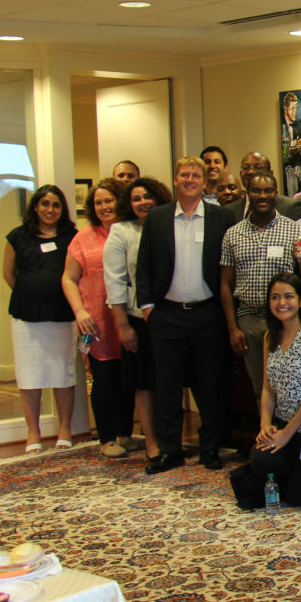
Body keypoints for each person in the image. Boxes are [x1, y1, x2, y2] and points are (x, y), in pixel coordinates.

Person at [135, 156, 238, 473]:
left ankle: (210, 449)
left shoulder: (221, 217)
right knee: (168, 386)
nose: (190, 179)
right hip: (167, 315)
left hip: (208, 314)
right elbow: (144, 265)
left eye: (196, 174)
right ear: (175, 180)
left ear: (205, 181)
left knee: (210, 385)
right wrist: (148, 307)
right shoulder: (157, 217)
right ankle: (170, 451)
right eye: (184, 174)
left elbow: (230, 267)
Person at [221, 172, 301, 405]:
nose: (263, 196)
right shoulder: (233, 234)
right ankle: (265, 433)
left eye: (268, 191)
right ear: (247, 194)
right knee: (259, 384)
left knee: (289, 381)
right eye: (256, 191)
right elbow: (226, 283)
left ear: (276, 194)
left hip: (286, 320)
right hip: (249, 320)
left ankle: (287, 436)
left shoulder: (296, 231)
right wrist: (232, 328)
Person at [5, 185, 78, 454]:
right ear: (35, 206)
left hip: (62, 314)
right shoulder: (18, 237)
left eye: (56, 205)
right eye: (45, 204)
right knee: (29, 374)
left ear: (62, 209)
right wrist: (32, 293)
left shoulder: (72, 236)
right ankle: (33, 433)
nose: (50, 209)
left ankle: (64, 430)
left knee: (62, 372)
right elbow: (9, 275)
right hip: (26, 317)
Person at [63, 178, 133, 458]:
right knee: (103, 379)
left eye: (109, 200)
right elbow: (68, 278)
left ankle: (126, 433)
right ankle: (106, 438)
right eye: (98, 202)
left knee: (129, 378)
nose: (104, 206)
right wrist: (79, 311)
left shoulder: (131, 230)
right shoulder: (83, 237)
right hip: (94, 323)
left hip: (127, 318)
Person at [104, 176, 171, 464]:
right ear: (128, 204)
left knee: (169, 379)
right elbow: (115, 282)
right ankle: (152, 443)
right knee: (144, 382)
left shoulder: (169, 224)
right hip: (137, 319)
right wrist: (122, 326)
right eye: (135, 198)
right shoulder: (121, 231)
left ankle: (171, 439)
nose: (143, 202)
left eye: (147, 196)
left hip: (170, 315)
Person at [248, 273, 301, 506]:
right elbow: (267, 389)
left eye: (288, 296)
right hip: (282, 423)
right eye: (275, 297)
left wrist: (286, 435)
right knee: (261, 462)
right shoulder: (269, 337)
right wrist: (266, 425)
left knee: (298, 497)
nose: (281, 303)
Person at [224, 151, 301, 221]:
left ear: (270, 174)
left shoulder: (290, 207)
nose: (250, 172)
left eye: (258, 167)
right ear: (240, 174)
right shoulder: (229, 210)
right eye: (246, 168)